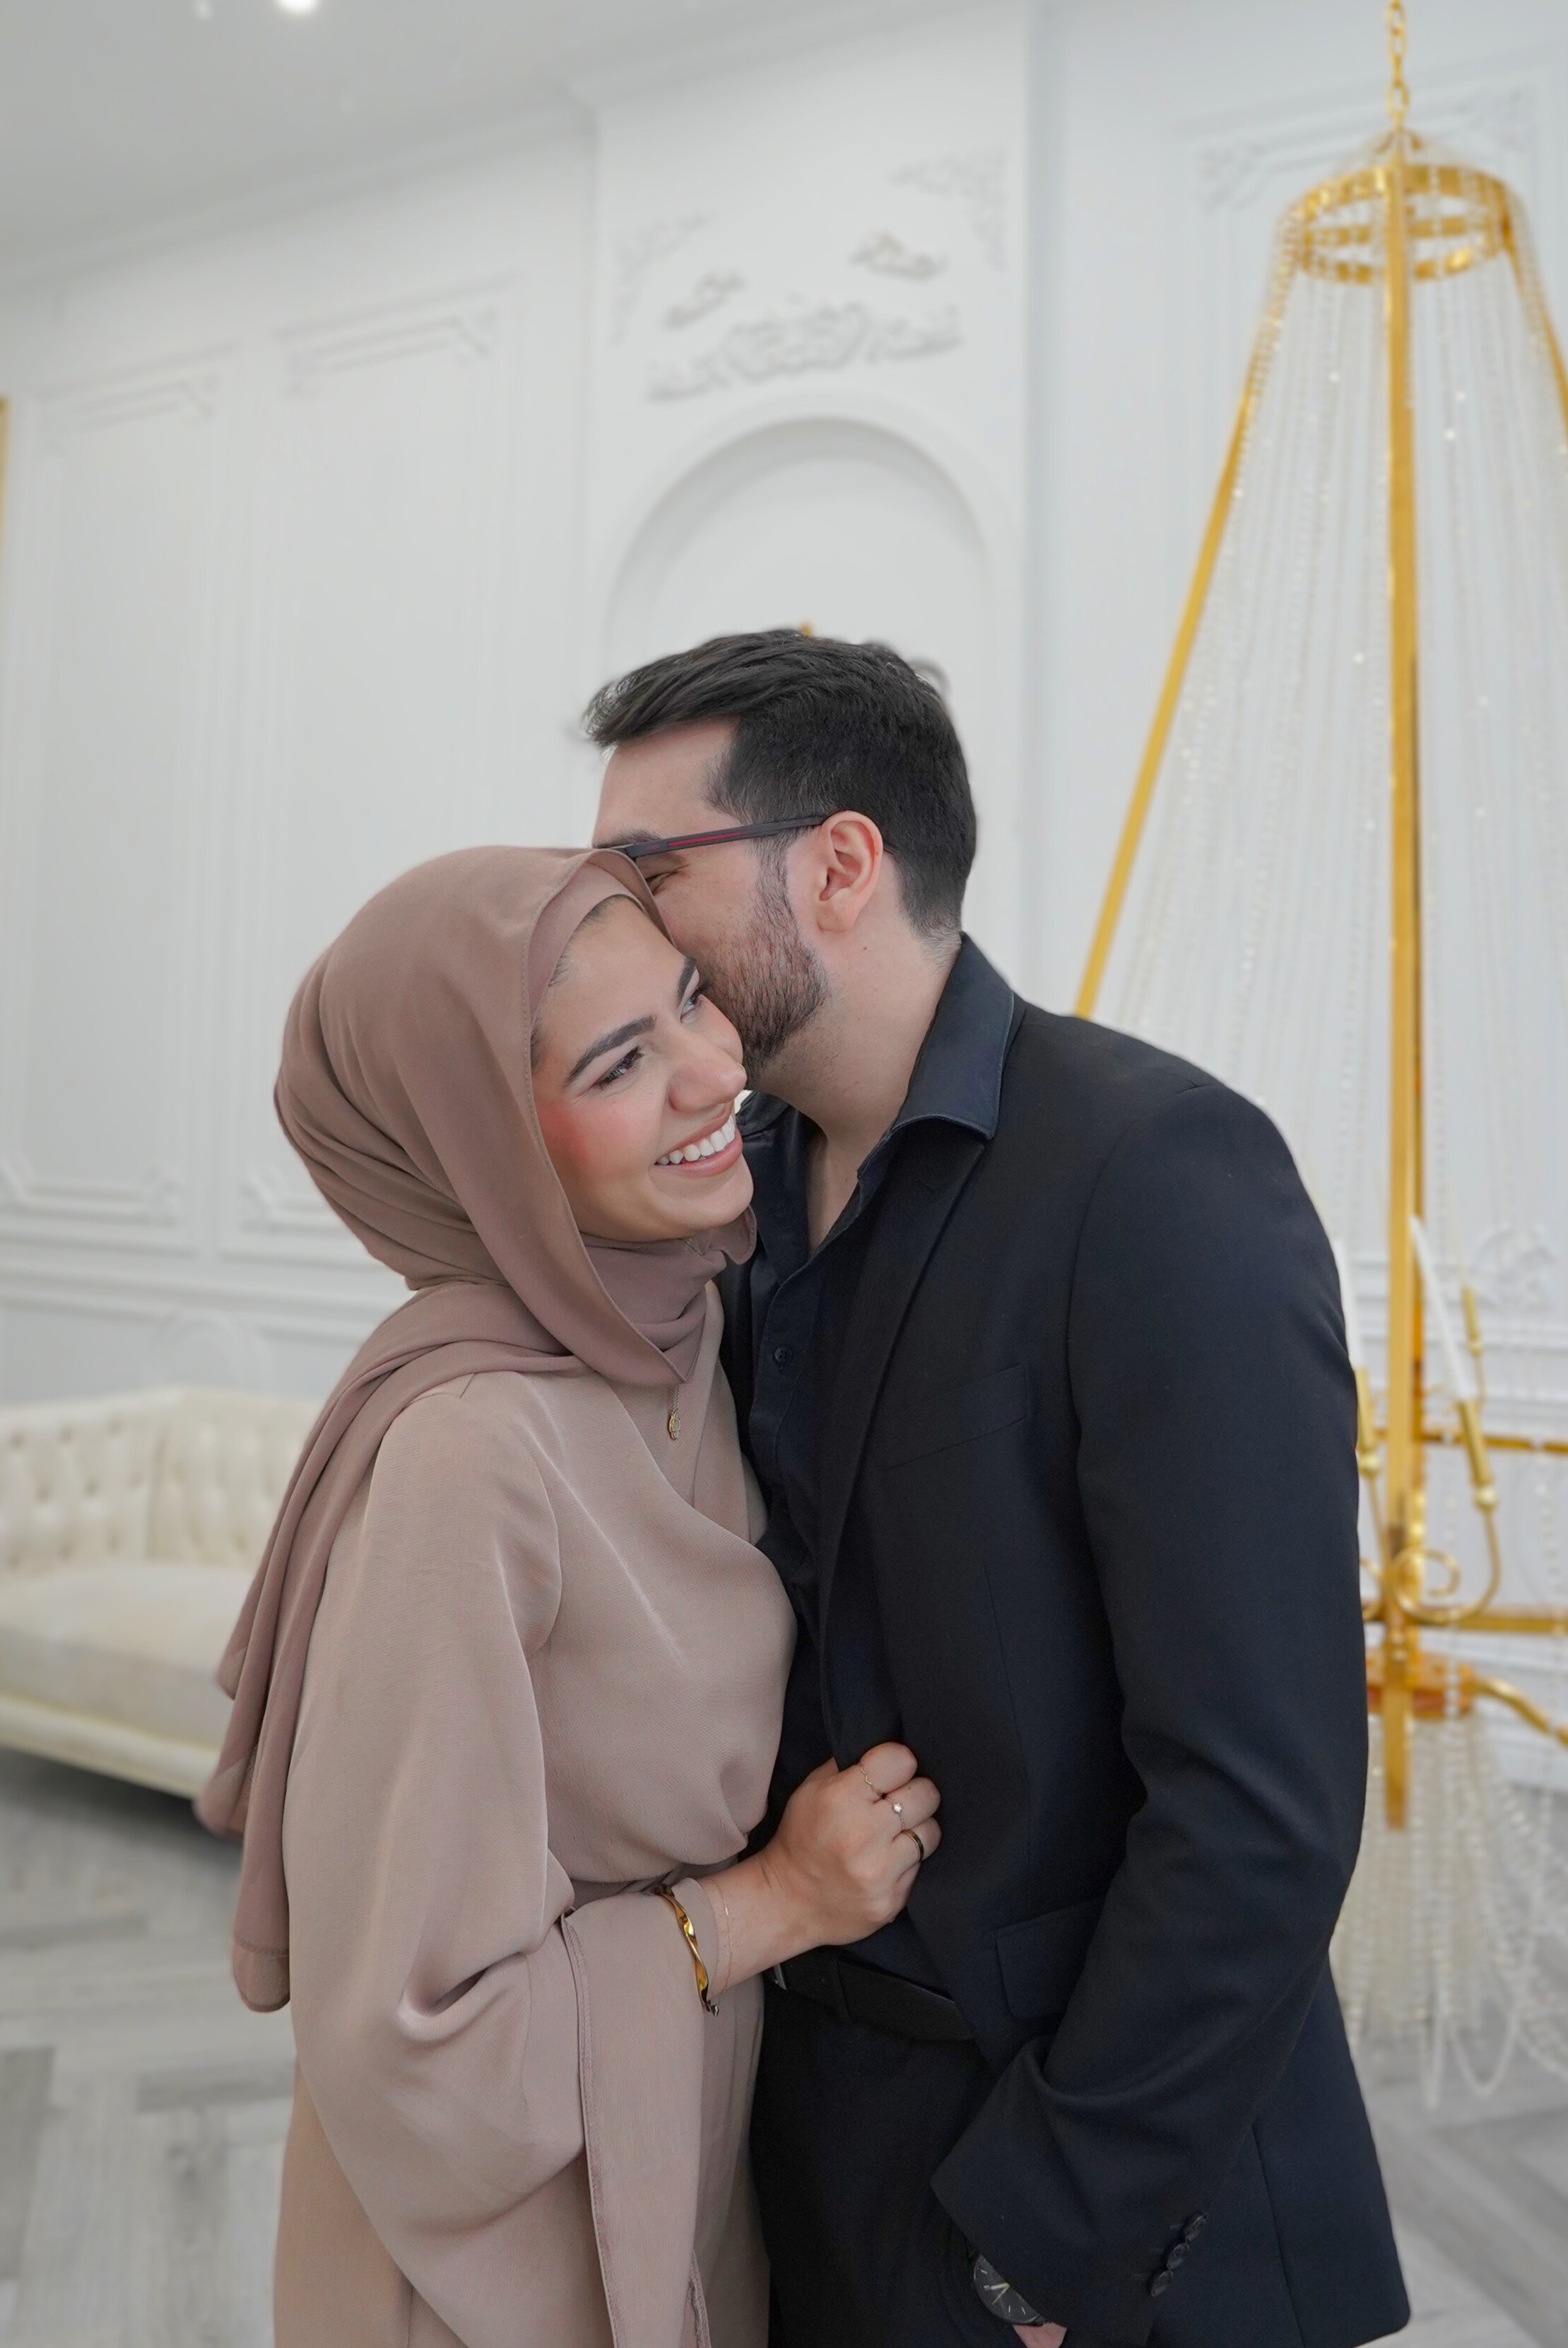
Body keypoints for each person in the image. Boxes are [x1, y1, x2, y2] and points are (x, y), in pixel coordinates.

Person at [587, 632, 1411, 2348]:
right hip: (803, 2133)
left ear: (836, 864)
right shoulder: (719, 1197)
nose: (617, 927)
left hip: (1090, 2208)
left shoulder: (1159, 1171)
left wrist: (1048, 2228)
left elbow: (1263, 1800)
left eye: (648, 873)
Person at [197, 844, 941, 2348]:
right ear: (484, 1143)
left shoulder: (673, 1331)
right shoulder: (472, 1458)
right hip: (482, 2269)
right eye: (617, 1059)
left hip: (669, 2177)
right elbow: (425, 2048)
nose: (709, 1069)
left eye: (689, 1001)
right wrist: (771, 1901)